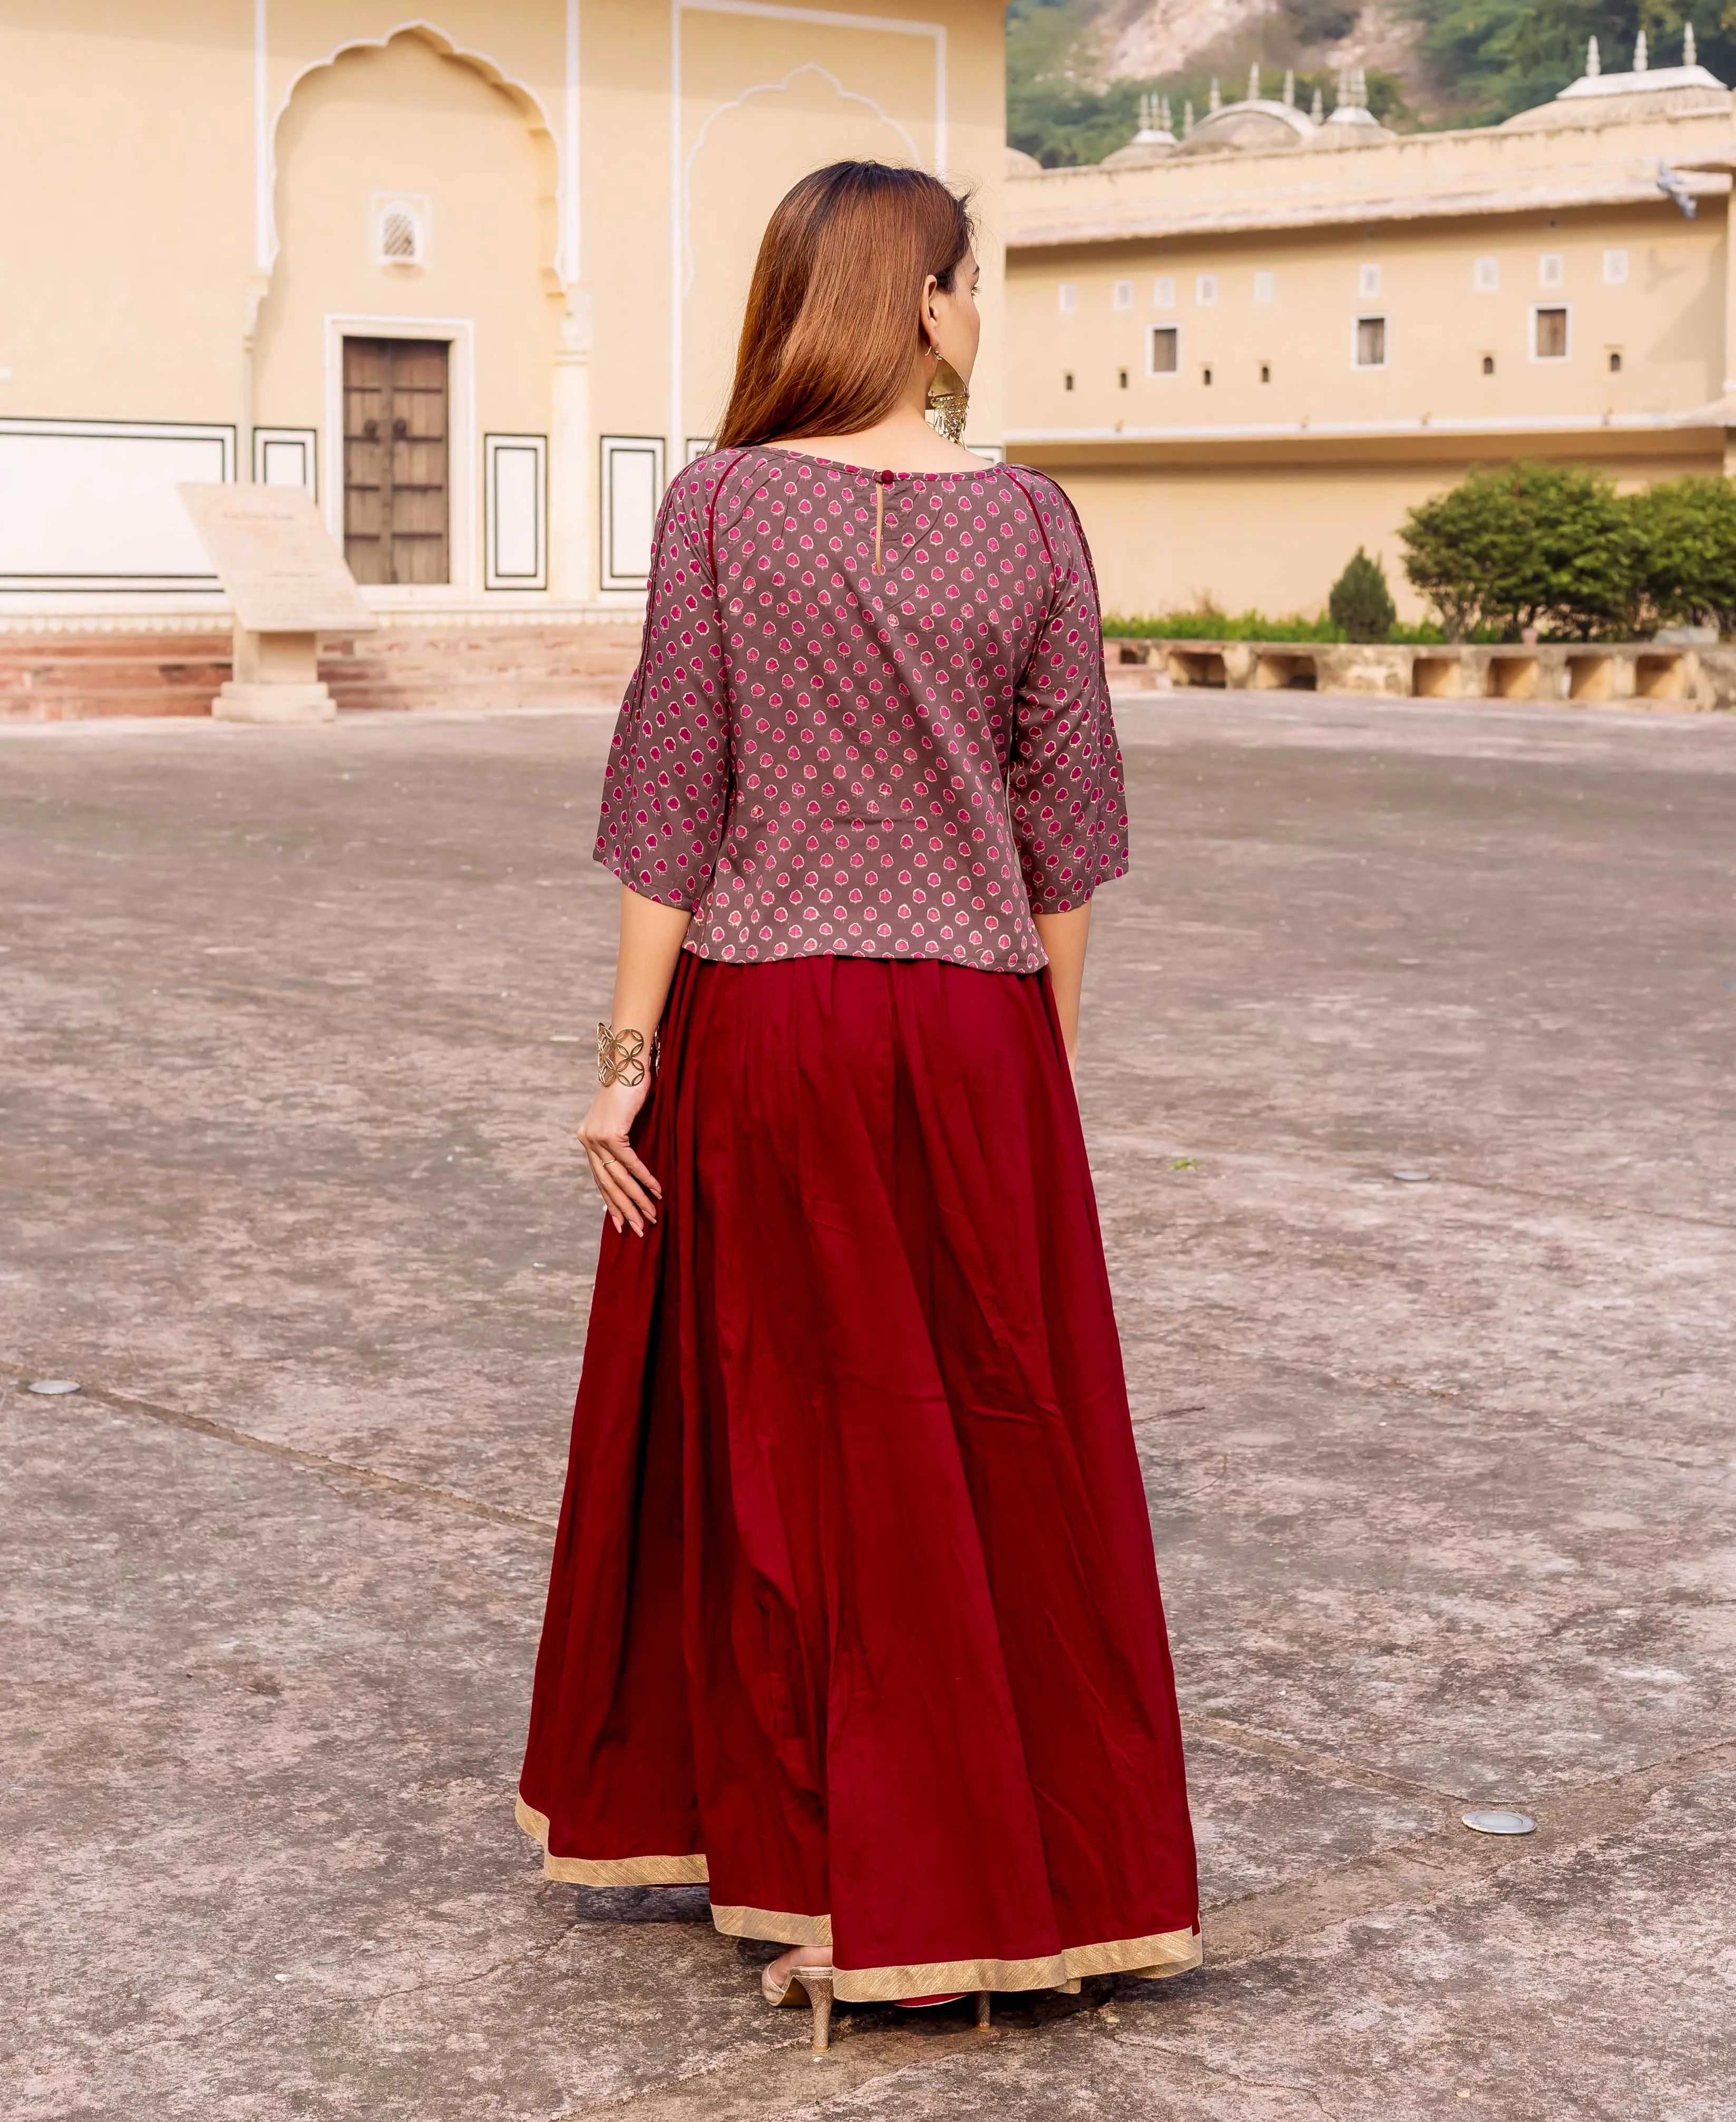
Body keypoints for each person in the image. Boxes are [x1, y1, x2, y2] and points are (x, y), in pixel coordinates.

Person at [517, 160, 1199, 2056]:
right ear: (917, 301)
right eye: (970, 282)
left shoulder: (721, 506)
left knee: (796, 1456)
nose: (979, 310)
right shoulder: (1042, 526)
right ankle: (998, 1876)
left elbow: (674, 796)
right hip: (976, 1037)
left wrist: (623, 1063)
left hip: (774, 1027)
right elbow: (1071, 836)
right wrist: (1032, 1067)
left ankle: (845, 1875)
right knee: (993, 1447)